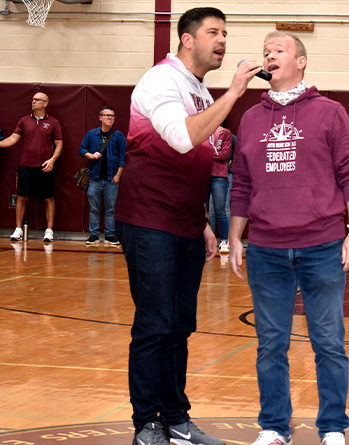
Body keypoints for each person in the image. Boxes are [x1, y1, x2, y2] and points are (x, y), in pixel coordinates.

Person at [113, 7, 263, 445]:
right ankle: (147, 424)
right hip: (148, 219)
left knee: (180, 324)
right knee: (155, 323)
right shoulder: (162, 79)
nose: (222, 41)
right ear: (186, 39)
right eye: (213, 32)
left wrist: (201, 222)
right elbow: (181, 139)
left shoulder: (198, 90)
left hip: (183, 223)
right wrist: (235, 92)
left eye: (225, 33)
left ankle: (176, 419)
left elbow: (191, 162)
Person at [229, 31, 349, 445]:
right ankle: (274, 427)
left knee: (328, 343)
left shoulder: (330, 112)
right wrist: (235, 237)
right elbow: (241, 184)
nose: (269, 55)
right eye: (265, 51)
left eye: (279, 50)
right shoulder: (250, 118)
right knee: (271, 345)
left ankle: (332, 429)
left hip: (322, 245)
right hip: (267, 248)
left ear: (300, 61)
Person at [0, 92, 63, 243]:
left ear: (45, 103)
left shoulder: (53, 122)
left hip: (44, 166)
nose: (34, 102)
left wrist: (52, 160)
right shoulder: (24, 120)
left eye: (37, 100)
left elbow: (59, 144)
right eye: (33, 99)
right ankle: (18, 229)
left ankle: (49, 231)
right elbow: (13, 139)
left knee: (48, 198)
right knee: (21, 197)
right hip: (25, 165)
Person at [79, 106, 126, 246]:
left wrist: (118, 175)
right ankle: (93, 234)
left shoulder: (119, 136)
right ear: (100, 118)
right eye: (106, 115)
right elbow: (82, 149)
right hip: (94, 178)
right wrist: (90, 155)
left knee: (110, 208)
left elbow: (123, 158)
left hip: (112, 179)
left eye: (112, 116)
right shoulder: (91, 134)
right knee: (94, 208)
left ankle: (110, 235)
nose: (110, 118)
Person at [206, 126, 232, 253]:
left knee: (220, 210)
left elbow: (224, 155)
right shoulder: (204, 131)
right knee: (203, 211)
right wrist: (214, 153)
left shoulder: (225, 133)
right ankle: (206, 241)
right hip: (203, 174)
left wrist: (208, 153)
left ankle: (224, 241)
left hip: (219, 176)